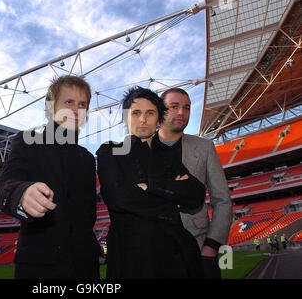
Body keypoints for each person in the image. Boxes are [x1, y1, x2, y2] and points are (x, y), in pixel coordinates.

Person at [0, 75, 100, 279]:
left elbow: (88, 216)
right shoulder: (27, 141)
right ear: (51, 107)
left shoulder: (87, 158)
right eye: (68, 102)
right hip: (40, 267)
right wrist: (22, 193)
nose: (76, 110)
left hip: (86, 266)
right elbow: (2, 185)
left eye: (82, 104)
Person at [96, 86, 206, 278]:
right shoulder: (110, 151)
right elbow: (120, 198)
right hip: (132, 260)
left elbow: (196, 195)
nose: (143, 119)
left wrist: (151, 188)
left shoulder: (169, 158)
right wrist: (174, 195)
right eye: (136, 112)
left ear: (159, 119)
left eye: (150, 113)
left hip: (179, 257)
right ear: (125, 118)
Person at [158, 88, 233, 279]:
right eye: (174, 107)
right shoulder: (142, 148)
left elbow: (222, 199)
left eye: (187, 108)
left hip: (198, 247)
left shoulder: (204, 147)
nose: (182, 112)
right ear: (160, 110)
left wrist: (212, 246)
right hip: (156, 252)